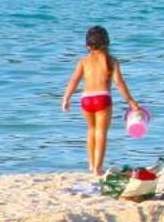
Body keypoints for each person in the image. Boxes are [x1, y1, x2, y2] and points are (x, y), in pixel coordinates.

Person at [60, 25, 143, 178]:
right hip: (102, 98)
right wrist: (131, 102)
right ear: (107, 42)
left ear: (87, 45)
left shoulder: (83, 61)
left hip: (86, 99)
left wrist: (66, 98)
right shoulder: (111, 61)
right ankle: (98, 168)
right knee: (101, 133)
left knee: (91, 130)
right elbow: (119, 82)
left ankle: (91, 165)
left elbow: (74, 81)